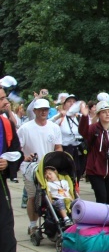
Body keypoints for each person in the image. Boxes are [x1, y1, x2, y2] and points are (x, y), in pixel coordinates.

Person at [0, 87, 38, 252]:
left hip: (0, 187)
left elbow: (15, 152)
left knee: (6, 235)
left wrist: (8, 164)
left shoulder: (6, 123)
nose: (6, 102)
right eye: (3, 98)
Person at [18, 98, 63, 236]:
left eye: (46, 109)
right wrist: (24, 157)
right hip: (30, 168)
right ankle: (33, 225)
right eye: (41, 109)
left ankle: (54, 222)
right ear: (35, 111)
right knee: (33, 197)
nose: (44, 112)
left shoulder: (54, 127)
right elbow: (18, 148)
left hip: (48, 167)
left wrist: (59, 159)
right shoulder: (25, 128)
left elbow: (58, 147)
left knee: (53, 195)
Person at [56, 94, 87, 183]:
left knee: (78, 172)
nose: (72, 104)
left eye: (74, 102)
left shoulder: (80, 117)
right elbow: (47, 124)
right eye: (69, 101)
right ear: (64, 104)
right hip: (65, 149)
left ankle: (75, 190)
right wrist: (58, 116)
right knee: (66, 172)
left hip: (78, 149)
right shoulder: (61, 117)